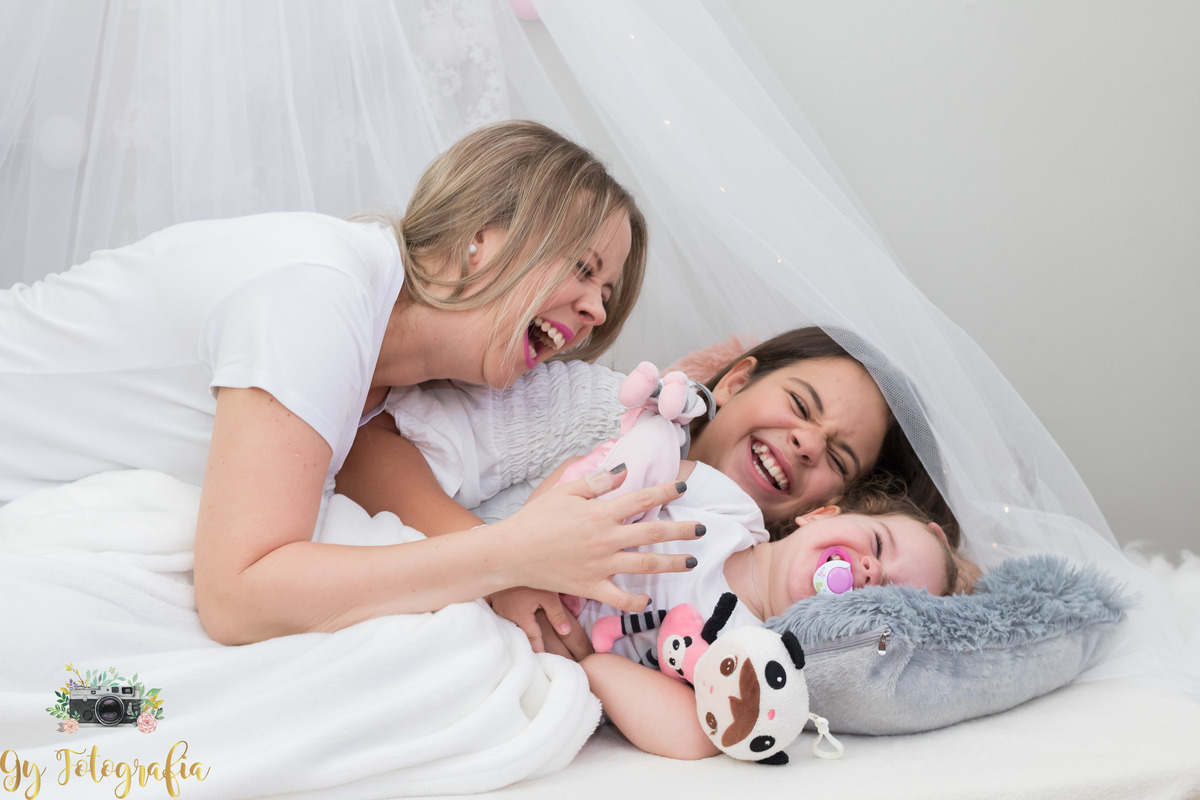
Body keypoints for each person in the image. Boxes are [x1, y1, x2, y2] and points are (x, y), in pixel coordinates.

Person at [0, 119, 707, 646]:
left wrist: (520, 575)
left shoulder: (383, 387)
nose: (595, 311)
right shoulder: (320, 291)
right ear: (484, 235)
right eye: (584, 271)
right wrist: (511, 553)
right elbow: (237, 597)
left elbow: (436, 526)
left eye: (606, 298)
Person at [339, 326, 961, 652]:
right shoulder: (602, 411)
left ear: (823, 509)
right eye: (800, 405)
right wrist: (503, 565)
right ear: (740, 380)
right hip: (393, 586)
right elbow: (363, 445)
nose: (806, 442)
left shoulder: (753, 598)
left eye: (837, 455)